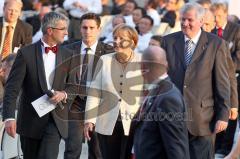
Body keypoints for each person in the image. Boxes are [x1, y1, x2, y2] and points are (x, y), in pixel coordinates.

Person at [2, 12, 77, 159]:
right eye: (63, 29)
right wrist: (9, 117)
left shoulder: (69, 54)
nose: (67, 33)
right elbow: (12, 88)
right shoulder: (25, 53)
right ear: (50, 30)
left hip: (55, 119)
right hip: (30, 120)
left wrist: (64, 94)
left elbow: (74, 86)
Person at [161, 2, 231, 159]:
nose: (185, 24)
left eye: (190, 20)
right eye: (183, 20)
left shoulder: (216, 44)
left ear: (201, 21)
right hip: (173, 118)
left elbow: (222, 82)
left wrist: (223, 114)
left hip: (203, 119)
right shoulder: (168, 41)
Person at [84, 24, 144, 159]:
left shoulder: (142, 61)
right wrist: (89, 120)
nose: (116, 41)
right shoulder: (104, 60)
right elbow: (94, 93)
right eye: (115, 37)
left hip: (134, 123)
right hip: (107, 122)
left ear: (132, 42)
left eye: (121, 38)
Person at [64, 13, 114, 159]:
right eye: (85, 27)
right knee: (72, 147)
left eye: (92, 28)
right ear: (80, 28)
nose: (88, 31)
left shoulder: (108, 51)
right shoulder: (68, 49)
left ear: (99, 29)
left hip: (98, 105)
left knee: (97, 150)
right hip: (75, 103)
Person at [133, 45, 190, 159]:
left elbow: (176, 146)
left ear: (143, 67)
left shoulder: (168, 99)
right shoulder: (158, 89)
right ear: (166, 65)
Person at [210, 2, 240, 157]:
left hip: (234, 77)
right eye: (213, 16)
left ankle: (225, 148)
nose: (216, 19)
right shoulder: (211, 31)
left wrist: (222, 67)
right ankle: (216, 146)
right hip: (215, 79)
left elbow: (238, 55)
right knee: (218, 111)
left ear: (226, 14)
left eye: (219, 16)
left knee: (230, 112)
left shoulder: (236, 30)